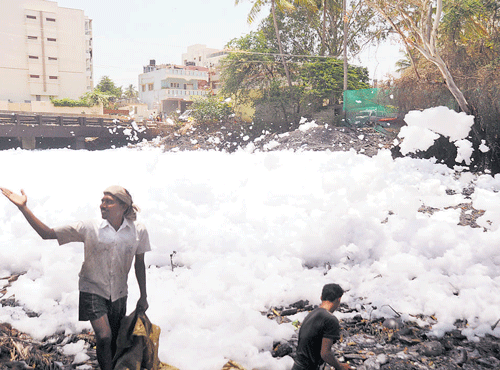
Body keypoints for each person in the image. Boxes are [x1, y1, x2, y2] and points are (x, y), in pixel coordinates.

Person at [0, 186, 150, 370]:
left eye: (108, 201)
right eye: (102, 201)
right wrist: (23, 208)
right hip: (92, 289)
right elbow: (47, 233)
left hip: (119, 293)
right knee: (104, 336)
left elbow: (139, 264)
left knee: (114, 340)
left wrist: (143, 296)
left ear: (124, 206)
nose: (102, 205)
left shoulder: (138, 231)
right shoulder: (89, 227)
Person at [292, 283, 352, 370]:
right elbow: (325, 353)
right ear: (338, 299)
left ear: (321, 297)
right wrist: (340, 367)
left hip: (297, 365)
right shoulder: (330, 320)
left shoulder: (311, 314)